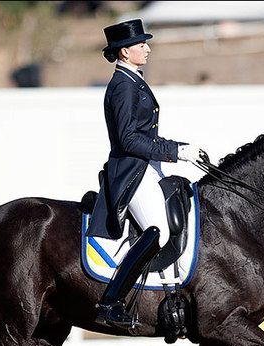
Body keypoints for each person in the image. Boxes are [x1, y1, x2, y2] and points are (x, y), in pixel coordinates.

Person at [87, 19, 207, 329]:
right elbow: (128, 139)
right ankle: (111, 301)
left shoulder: (134, 81)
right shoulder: (124, 86)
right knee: (159, 230)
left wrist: (180, 149)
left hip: (145, 167)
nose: (148, 49)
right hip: (130, 171)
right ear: (125, 52)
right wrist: (176, 151)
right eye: (142, 45)